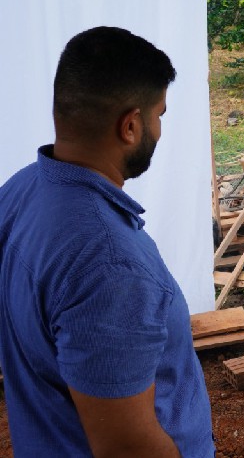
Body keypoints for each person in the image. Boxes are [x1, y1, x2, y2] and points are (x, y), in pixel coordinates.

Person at [0, 26, 215, 457]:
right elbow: (126, 447)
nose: (159, 128)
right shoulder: (110, 265)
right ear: (131, 126)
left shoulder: (21, 191)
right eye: (159, 115)